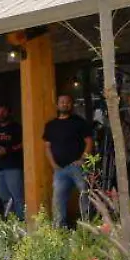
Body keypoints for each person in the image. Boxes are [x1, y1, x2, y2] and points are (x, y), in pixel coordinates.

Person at [43, 93, 96, 226]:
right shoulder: (51, 125)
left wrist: (82, 159)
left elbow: (89, 142)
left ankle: (88, 227)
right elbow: (47, 146)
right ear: (57, 104)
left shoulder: (79, 122)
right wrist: (53, 164)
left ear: (71, 104)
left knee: (85, 196)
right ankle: (59, 231)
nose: (65, 104)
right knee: (58, 200)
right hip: (59, 169)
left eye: (67, 102)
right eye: (62, 102)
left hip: (77, 167)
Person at [0, 104, 24, 218]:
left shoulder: (16, 128)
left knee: (17, 197)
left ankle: (22, 223)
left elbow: (23, 144)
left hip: (13, 167)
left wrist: (7, 150)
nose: (0, 114)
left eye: (3, 111)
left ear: (9, 113)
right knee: (5, 198)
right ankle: (11, 224)